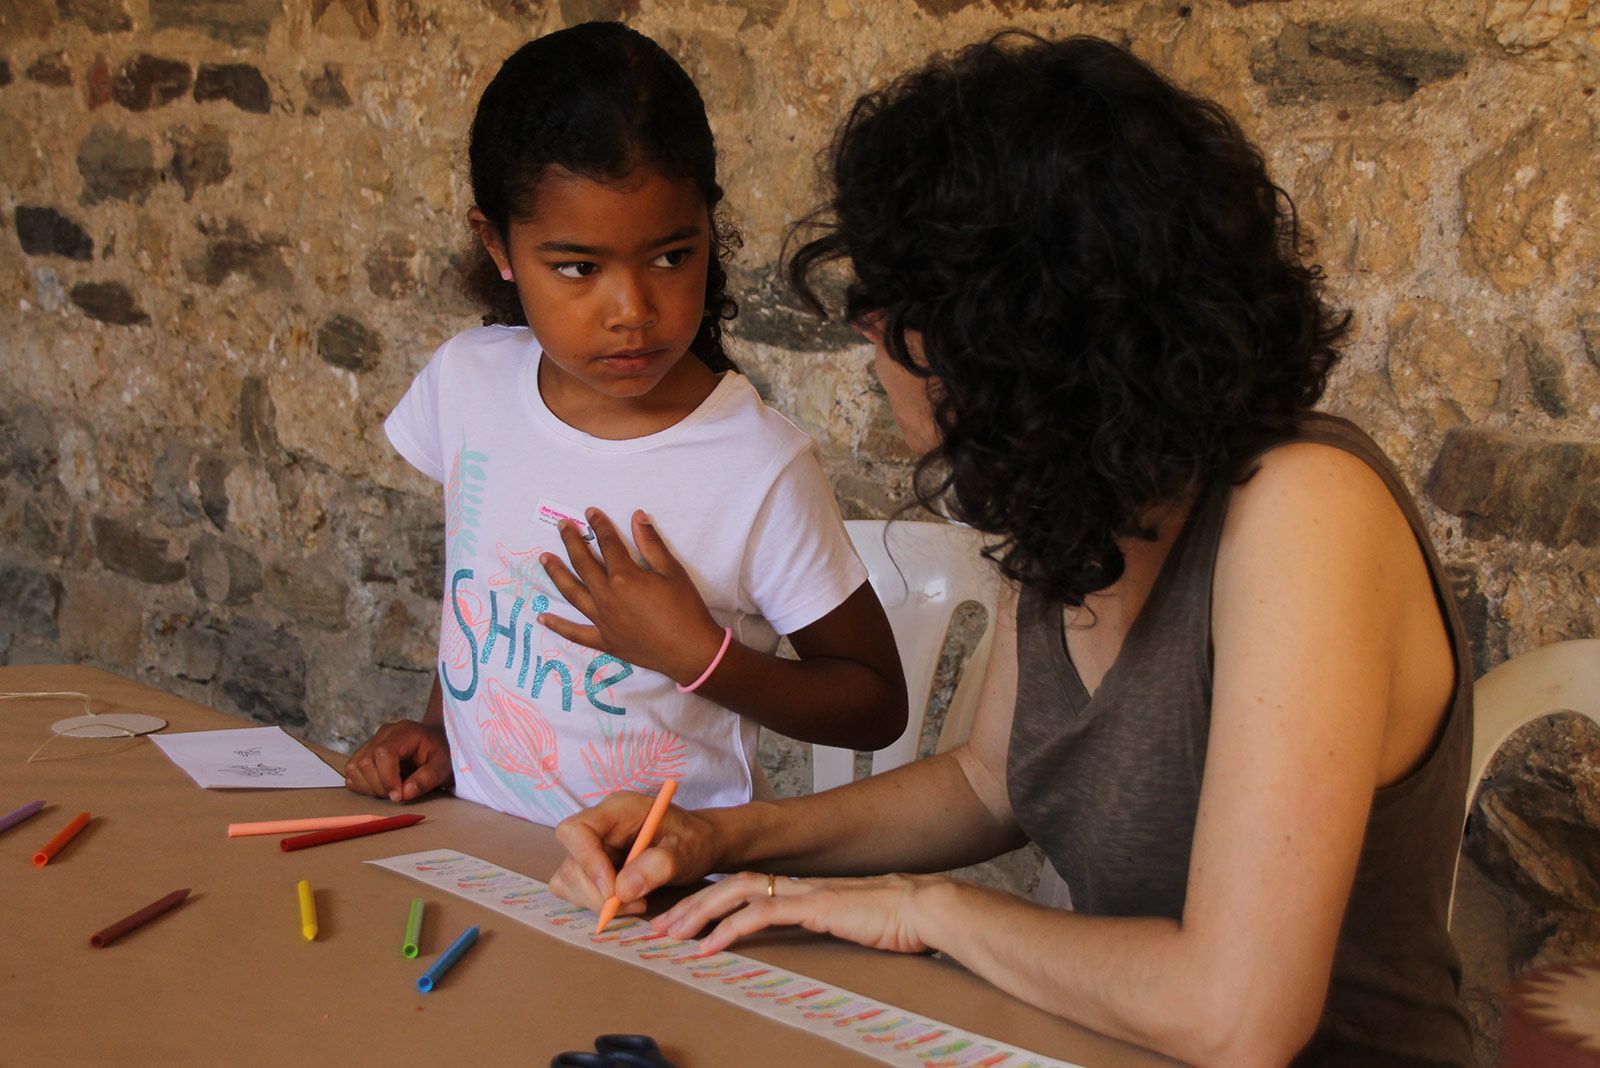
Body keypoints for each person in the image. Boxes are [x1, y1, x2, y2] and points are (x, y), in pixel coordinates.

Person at [549, 31, 1474, 1066]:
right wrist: (719, 842)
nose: (868, 342)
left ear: (1004, 328)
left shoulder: (1305, 511)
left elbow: (1237, 1015)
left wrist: (921, 913)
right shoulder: (1080, 494)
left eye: (885, 308)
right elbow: (992, 782)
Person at [343, 22, 906, 828]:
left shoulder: (754, 466)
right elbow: (482, 598)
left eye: (672, 257)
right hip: (487, 853)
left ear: (709, 230)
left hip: (660, 892)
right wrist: (437, 730)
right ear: (497, 244)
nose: (633, 312)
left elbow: (875, 703)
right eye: (578, 268)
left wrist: (699, 658)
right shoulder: (467, 384)